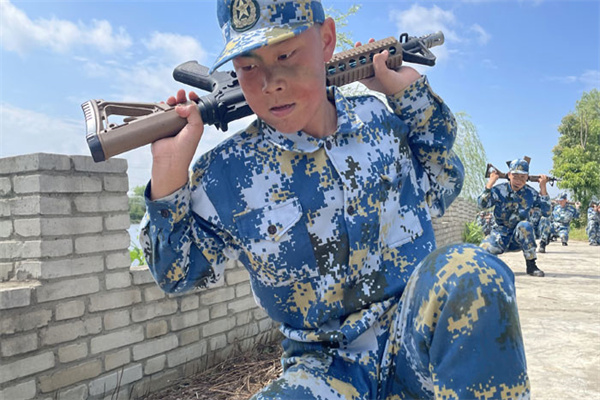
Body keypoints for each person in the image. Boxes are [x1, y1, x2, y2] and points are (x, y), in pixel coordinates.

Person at [139, 0, 530, 397]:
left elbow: (443, 185)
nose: (270, 83)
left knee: (472, 269)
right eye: (248, 66)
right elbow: (175, 275)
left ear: (326, 40)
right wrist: (168, 175)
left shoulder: (378, 122)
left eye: (286, 55)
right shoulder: (226, 172)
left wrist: (412, 98)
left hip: (416, 341)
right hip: (324, 368)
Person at [478, 158, 550, 277]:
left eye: (522, 177)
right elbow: (482, 205)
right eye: (515, 176)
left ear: (527, 177)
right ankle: (493, 265)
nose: (518, 181)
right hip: (499, 235)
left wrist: (543, 188)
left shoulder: (531, 193)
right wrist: (490, 183)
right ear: (509, 175)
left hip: (519, 237)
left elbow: (547, 212)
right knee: (480, 253)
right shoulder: (499, 190)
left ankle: (531, 265)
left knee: (525, 225)